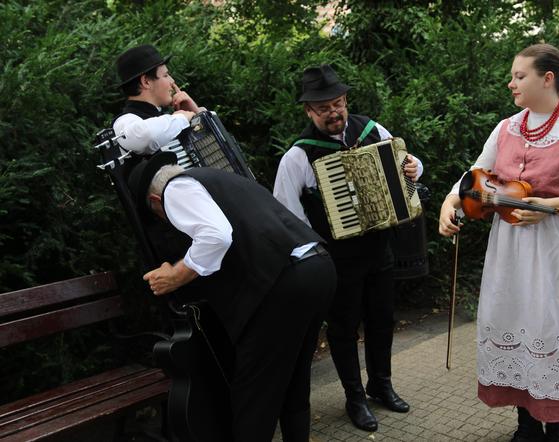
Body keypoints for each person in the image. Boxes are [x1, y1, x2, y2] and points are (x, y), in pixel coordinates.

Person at [439, 44, 559, 442]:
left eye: (519, 76)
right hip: (509, 253)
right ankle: (525, 422)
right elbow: (475, 175)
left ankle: (554, 424)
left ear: (548, 79)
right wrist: (451, 200)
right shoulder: (505, 127)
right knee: (514, 323)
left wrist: (552, 205)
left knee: (551, 329)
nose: (511, 83)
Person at [128, 151, 336, 441]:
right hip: (317, 267)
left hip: (286, 283)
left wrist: (175, 275)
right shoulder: (217, 178)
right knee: (293, 385)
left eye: (160, 217)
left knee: (254, 398)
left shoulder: (174, 189)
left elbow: (216, 236)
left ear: (154, 202)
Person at [273, 64, 423, 432]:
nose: (334, 112)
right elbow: (285, 215)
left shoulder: (373, 130)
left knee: (382, 319)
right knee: (342, 330)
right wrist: (315, 254)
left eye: (337, 103)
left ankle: (381, 386)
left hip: (379, 250)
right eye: (323, 107)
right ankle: (354, 398)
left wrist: (415, 168)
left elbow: (409, 167)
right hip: (336, 260)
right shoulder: (298, 156)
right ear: (308, 111)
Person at [113, 44, 201, 159]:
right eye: (165, 75)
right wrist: (181, 118)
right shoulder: (124, 122)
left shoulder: (163, 122)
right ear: (146, 82)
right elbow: (146, 136)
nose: (172, 81)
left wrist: (197, 113)